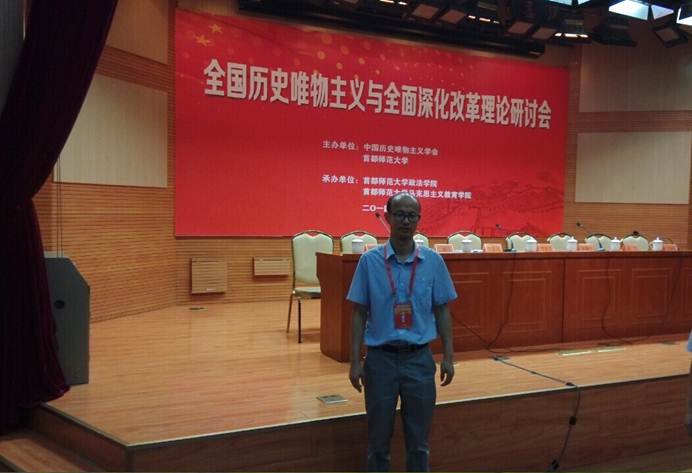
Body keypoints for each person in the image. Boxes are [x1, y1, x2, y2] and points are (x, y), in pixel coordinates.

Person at [347, 192, 457, 472]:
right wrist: (355, 361)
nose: (406, 221)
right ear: (387, 217)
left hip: (419, 361)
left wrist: (448, 356)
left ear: (418, 220)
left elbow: (442, 310)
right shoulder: (369, 262)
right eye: (399, 215)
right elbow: (358, 313)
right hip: (380, 362)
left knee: (419, 443)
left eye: (411, 216)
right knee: (378, 443)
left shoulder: (433, 262)